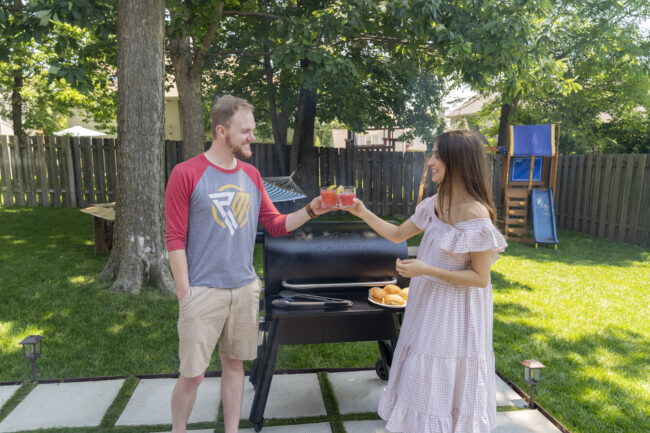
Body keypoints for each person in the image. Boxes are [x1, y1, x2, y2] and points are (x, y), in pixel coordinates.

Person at [165, 95, 329, 433]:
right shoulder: (186, 174)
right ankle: (178, 429)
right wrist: (185, 291)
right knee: (193, 375)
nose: (252, 137)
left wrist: (313, 209)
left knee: (235, 364)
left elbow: (276, 224)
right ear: (221, 130)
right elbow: (175, 239)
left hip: (243, 288)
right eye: (245, 131)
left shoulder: (252, 176)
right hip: (202, 290)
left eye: (253, 130)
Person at [345, 130, 507, 433]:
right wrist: (362, 211)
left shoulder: (476, 214)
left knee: (443, 380)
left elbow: (480, 278)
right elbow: (396, 234)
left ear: (456, 162)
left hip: (458, 316)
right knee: (422, 379)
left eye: (436, 155)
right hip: (428, 308)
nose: (430, 162)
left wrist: (425, 269)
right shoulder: (435, 203)